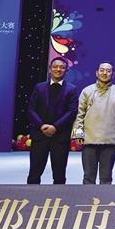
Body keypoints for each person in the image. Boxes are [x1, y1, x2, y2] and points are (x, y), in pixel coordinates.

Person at [72, 61, 115, 185]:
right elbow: (79, 114)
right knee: (88, 177)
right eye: (102, 70)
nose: (105, 73)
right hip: (89, 140)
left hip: (109, 140)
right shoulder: (87, 91)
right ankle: (88, 198)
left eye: (108, 71)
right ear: (96, 72)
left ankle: (105, 198)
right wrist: (78, 133)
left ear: (113, 74)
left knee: (106, 178)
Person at [26, 56, 79, 185]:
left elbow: (72, 112)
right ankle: (30, 195)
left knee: (59, 174)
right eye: (55, 67)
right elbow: (31, 109)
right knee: (34, 173)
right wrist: (41, 125)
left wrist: (55, 126)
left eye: (62, 67)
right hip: (40, 135)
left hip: (60, 136)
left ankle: (59, 197)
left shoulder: (71, 89)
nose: (58, 69)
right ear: (50, 69)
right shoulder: (39, 87)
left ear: (66, 70)